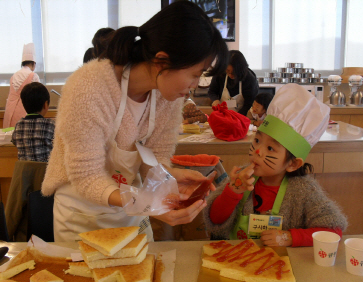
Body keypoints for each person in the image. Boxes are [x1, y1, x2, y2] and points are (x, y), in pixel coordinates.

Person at [41, 1, 229, 242]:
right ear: (163, 61)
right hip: (82, 213)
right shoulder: (89, 87)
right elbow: (87, 177)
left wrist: (169, 177)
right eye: (194, 74)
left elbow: (153, 160)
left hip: (131, 212)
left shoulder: (167, 98)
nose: (195, 85)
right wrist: (148, 205)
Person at [203, 83, 348, 247]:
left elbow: (334, 231)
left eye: (270, 148)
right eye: (257, 140)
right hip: (237, 259)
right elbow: (214, 221)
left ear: (293, 164)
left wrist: (290, 237)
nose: (257, 151)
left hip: (281, 266)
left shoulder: (305, 191)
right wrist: (233, 190)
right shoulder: (241, 178)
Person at [12, 82, 55, 162]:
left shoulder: (19, 125)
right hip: (45, 172)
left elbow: (14, 141)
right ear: (45, 104)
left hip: (24, 173)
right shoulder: (50, 125)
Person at [208, 50, 259, 116]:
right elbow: (212, 91)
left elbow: (248, 104)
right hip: (222, 114)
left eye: (234, 73)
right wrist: (215, 100)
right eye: (228, 71)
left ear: (240, 70)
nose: (231, 75)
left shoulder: (249, 79)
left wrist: (236, 117)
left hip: (241, 115)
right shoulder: (220, 73)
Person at [3, 43, 40, 128]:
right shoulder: (33, 76)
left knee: (9, 137)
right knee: (24, 135)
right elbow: (38, 97)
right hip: (24, 111)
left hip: (10, 112)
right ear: (34, 63)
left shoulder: (14, 75)